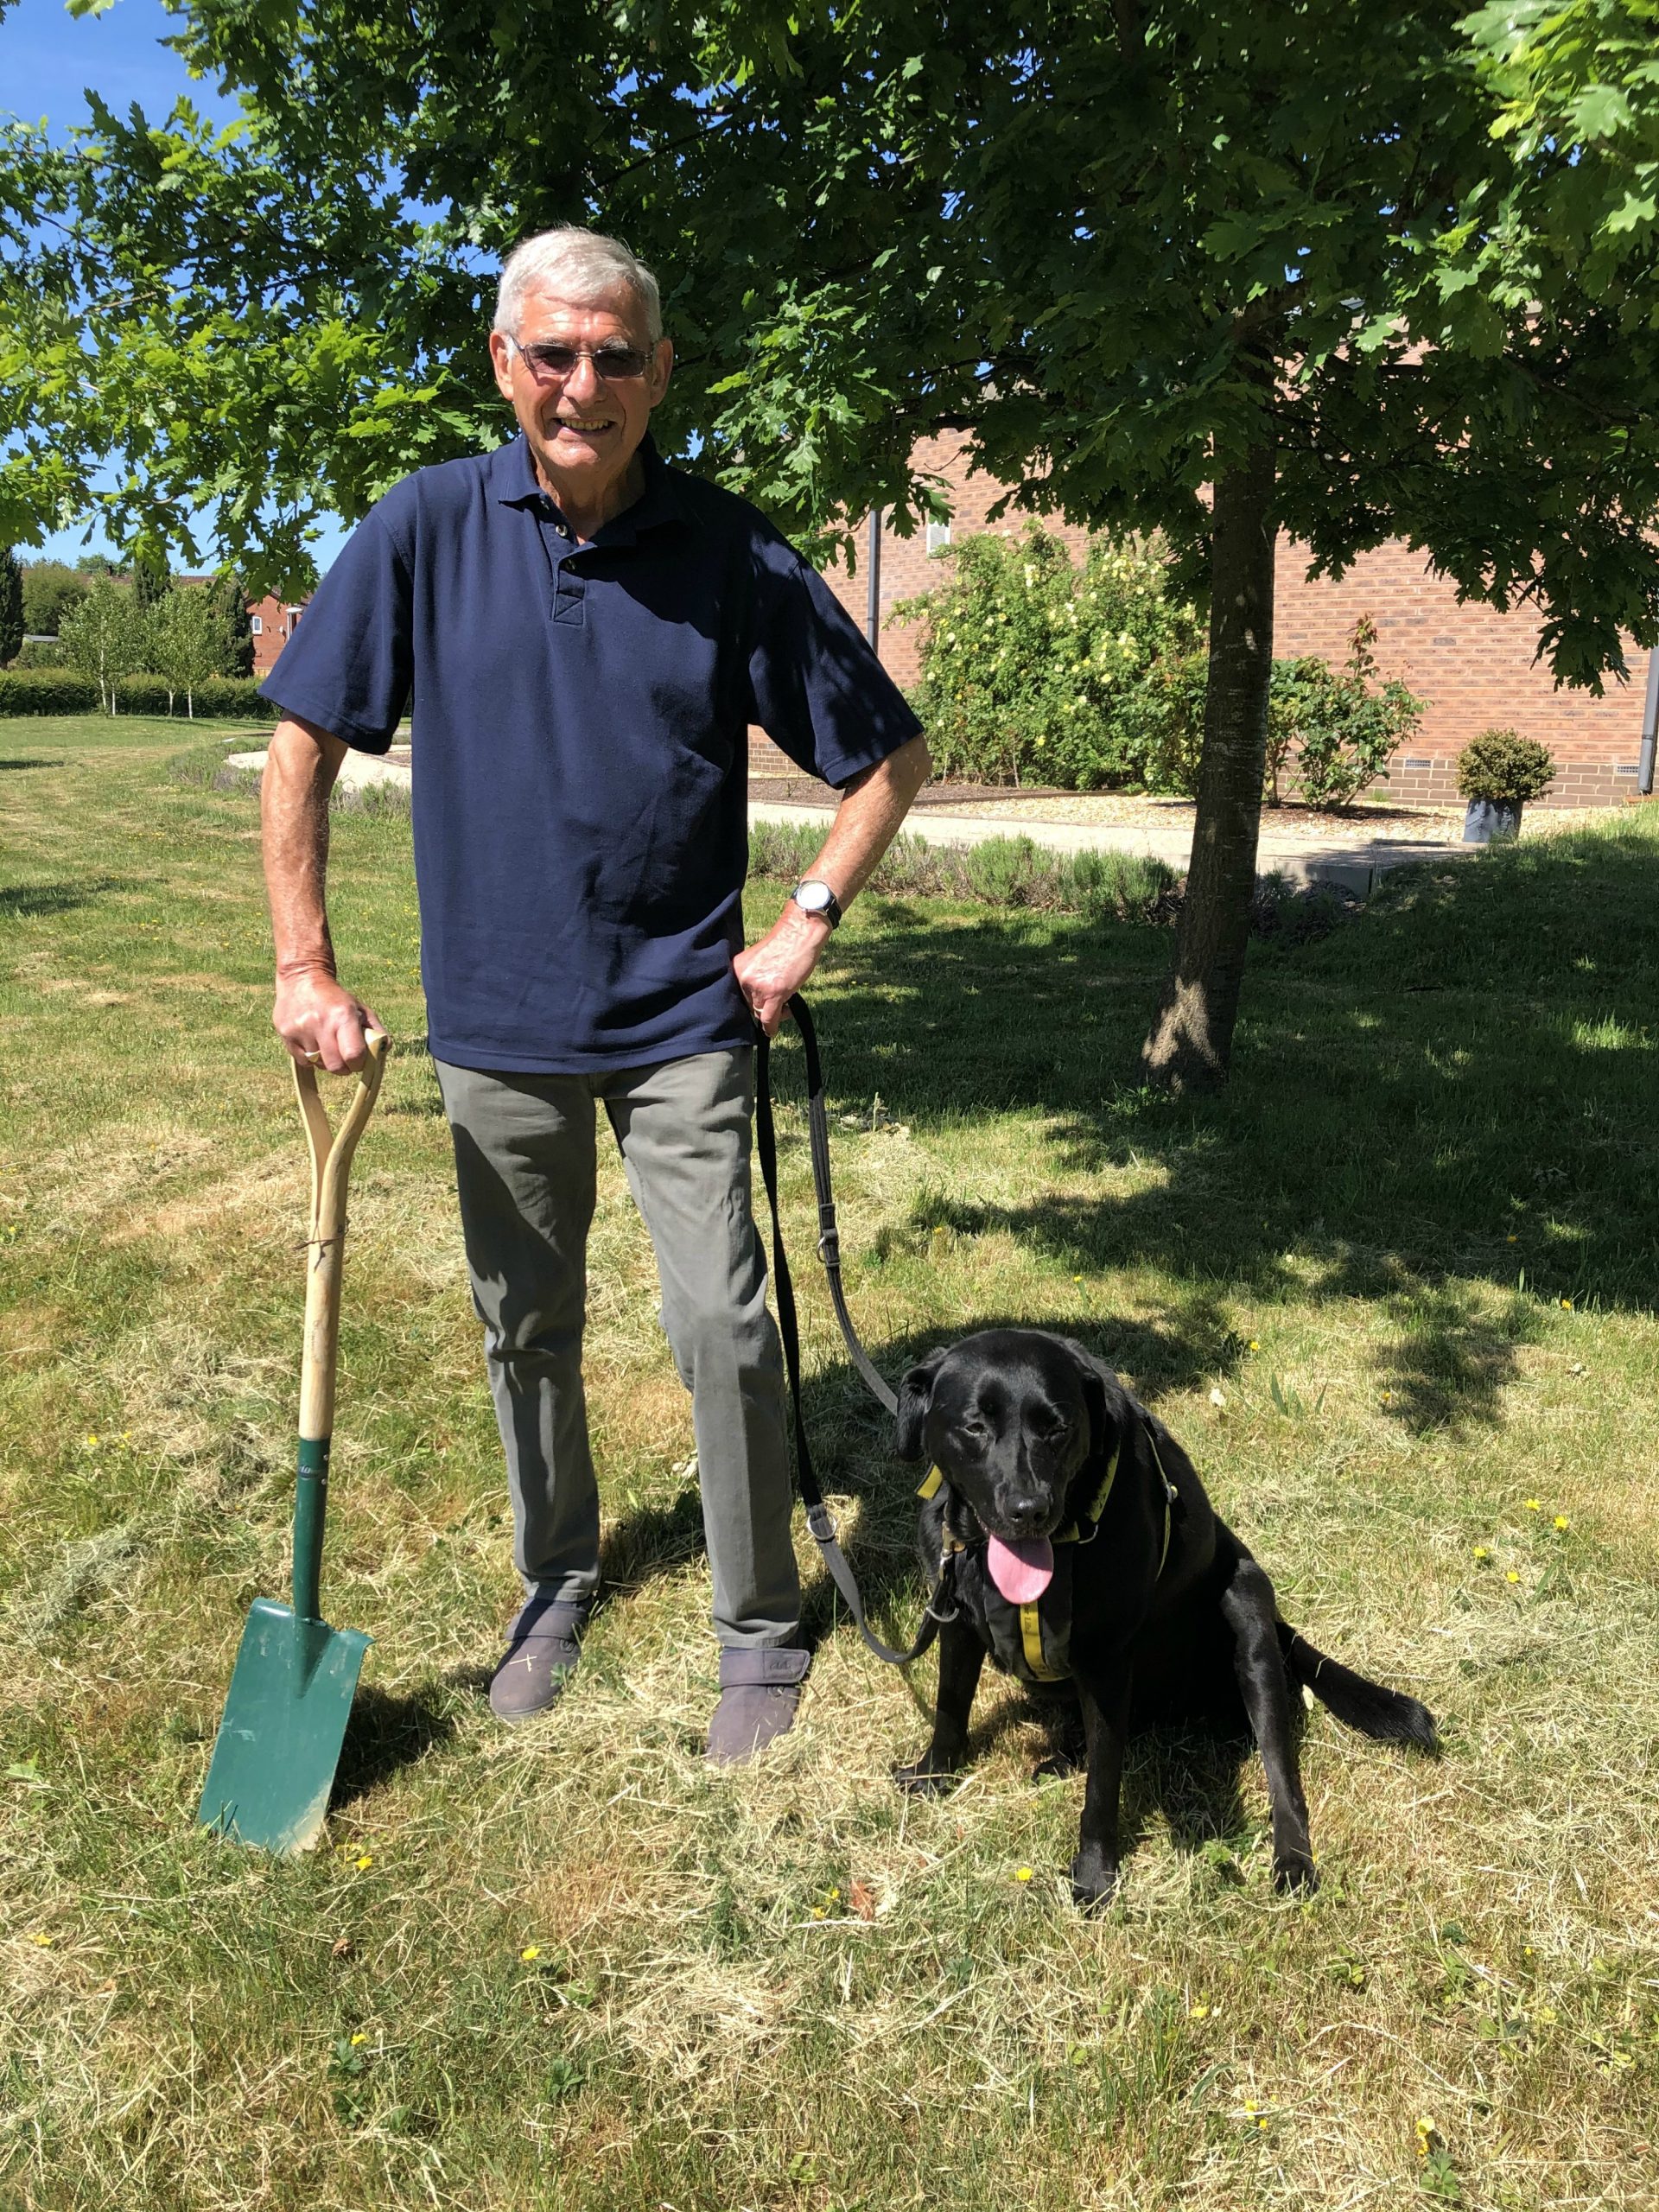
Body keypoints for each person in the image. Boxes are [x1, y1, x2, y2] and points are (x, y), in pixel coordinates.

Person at [258, 226, 930, 1764]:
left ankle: (759, 1623)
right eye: (553, 353)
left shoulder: (731, 554)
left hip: (682, 1011)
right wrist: (307, 966)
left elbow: (886, 757)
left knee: (727, 1324)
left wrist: (803, 921)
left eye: (616, 354)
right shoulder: (425, 528)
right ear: (506, 365)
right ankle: (556, 1577)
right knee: (524, 1327)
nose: (584, 385)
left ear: (660, 370)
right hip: (497, 1018)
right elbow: (303, 744)